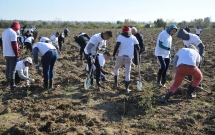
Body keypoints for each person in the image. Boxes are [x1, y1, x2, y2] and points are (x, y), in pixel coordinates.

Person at [112, 26, 140, 92]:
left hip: (120, 56)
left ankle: (116, 83)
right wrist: (137, 50)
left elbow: (117, 46)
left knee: (116, 68)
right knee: (128, 73)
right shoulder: (133, 37)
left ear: (123, 31)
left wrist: (113, 55)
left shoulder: (120, 36)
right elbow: (138, 47)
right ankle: (127, 88)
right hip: (129, 58)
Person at [2, 21, 20, 90]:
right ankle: (12, 85)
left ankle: (8, 81)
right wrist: (17, 54)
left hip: (6, 53)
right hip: (12, 54)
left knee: (8, 68)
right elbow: (14, 44)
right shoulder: (13, 33)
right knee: (12, 70)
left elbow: (2, 43)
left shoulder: (4, 32)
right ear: (16, 27)